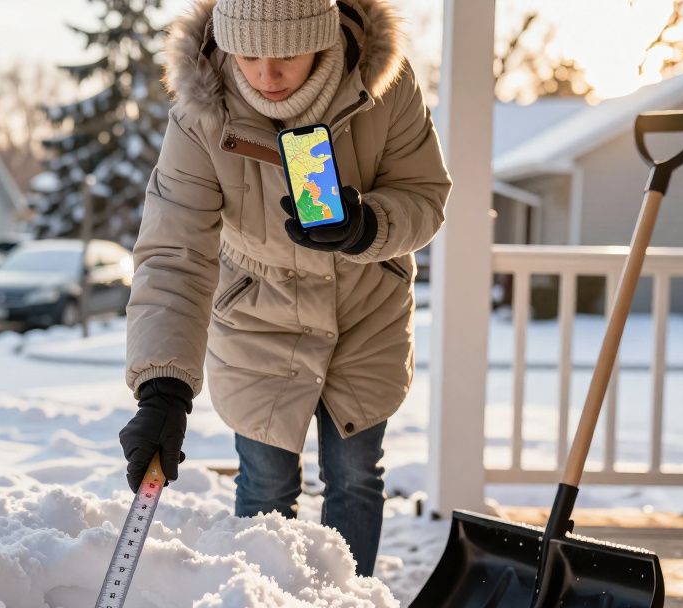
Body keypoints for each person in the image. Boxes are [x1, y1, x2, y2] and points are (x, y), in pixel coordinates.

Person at [118, 0, 451, 577]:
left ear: (322, 40)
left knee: (354, 475)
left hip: (365, 310)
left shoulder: (386, 87)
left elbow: (425, 195)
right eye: (247, 56)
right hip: (257, 315)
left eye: (287, 57)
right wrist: (163, 387)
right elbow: (174, 255)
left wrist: (368, 224)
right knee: (266, 477)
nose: (267, 78)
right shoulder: (201, 115)